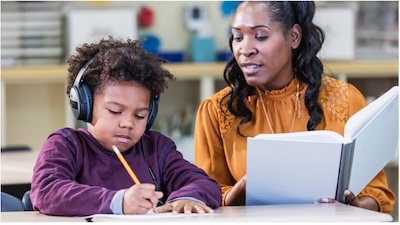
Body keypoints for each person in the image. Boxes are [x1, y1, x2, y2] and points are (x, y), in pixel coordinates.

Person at [194, 1, 395, 214]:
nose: (245, 49)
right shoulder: (216, 110)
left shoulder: (345, 99)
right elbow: (206, 197)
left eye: (260, 36)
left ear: (294, 37)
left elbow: (377, 194)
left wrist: (353, 207)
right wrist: (242, 189)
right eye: (238, 37)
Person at [30, 37, 221, 216]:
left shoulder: (157, 149)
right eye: (115, 111)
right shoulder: (66, 145)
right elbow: (45, 191)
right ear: (84, 105)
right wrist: (118, 202)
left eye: (140, 115)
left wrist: (187, 199)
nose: (128, 123)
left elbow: (205, 183)